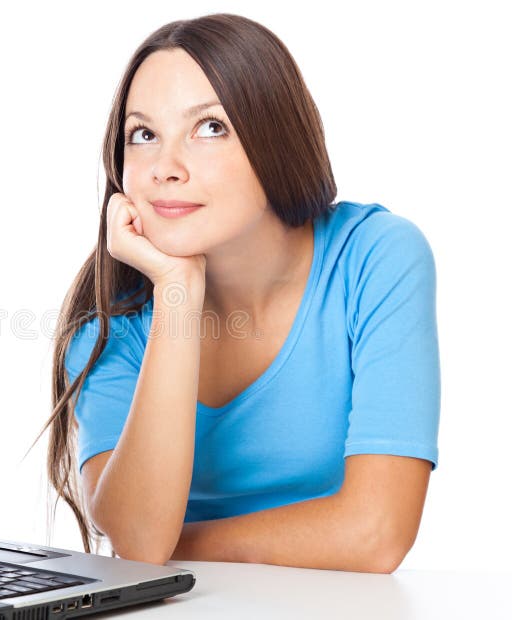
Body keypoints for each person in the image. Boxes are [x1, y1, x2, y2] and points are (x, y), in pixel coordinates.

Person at [41, 13, 439, 574]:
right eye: (144, 135)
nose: (164, 169)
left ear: (276, 138)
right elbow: (139, 542)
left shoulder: (376, 257)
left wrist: (178, 546)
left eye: (210, 127)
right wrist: (177, 290)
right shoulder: (110, 328)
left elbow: (377, 534)